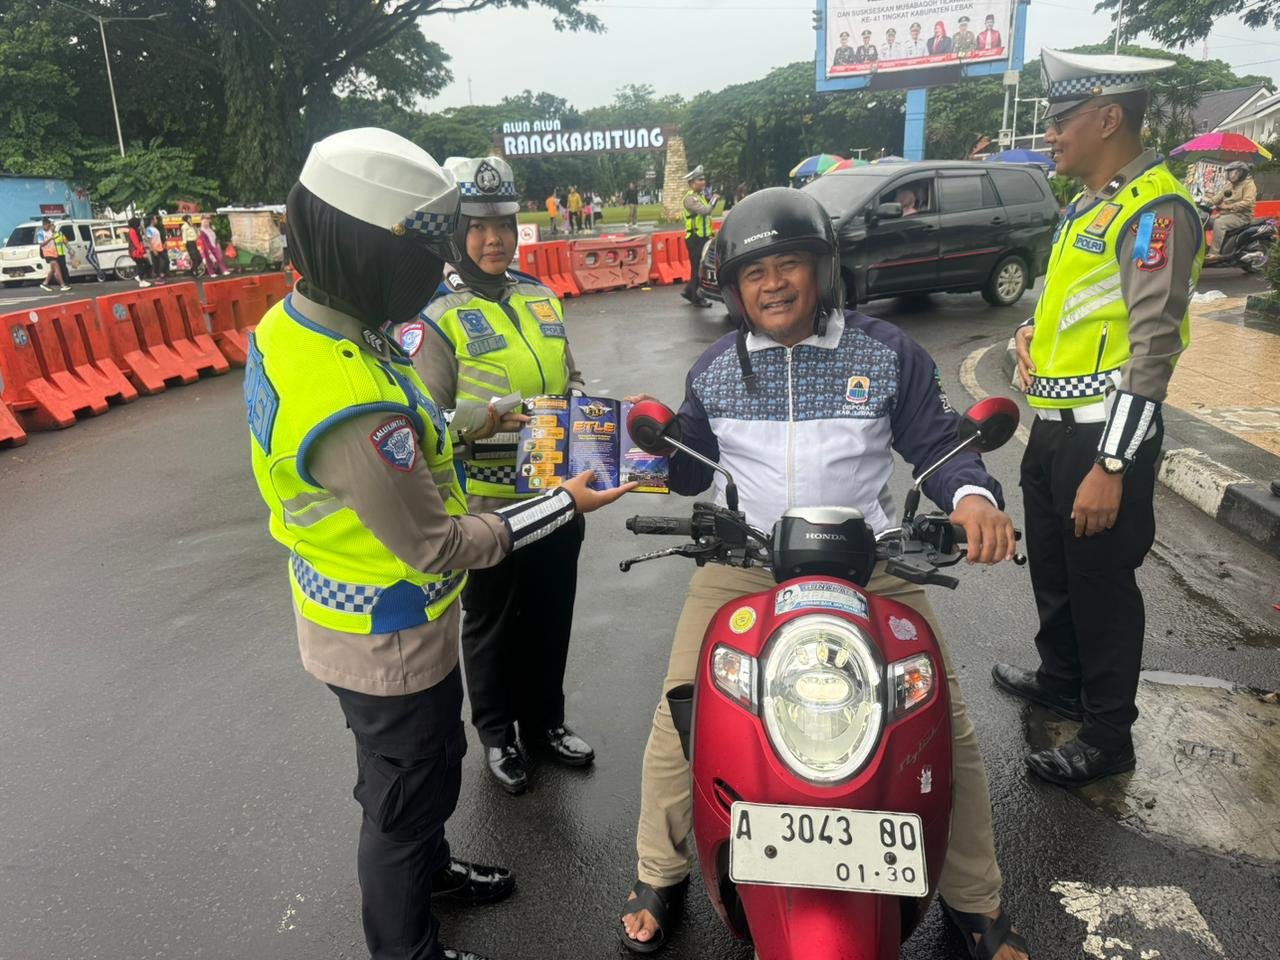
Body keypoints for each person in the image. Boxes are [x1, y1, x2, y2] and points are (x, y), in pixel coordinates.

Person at [244, 128, 633, 960]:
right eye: (431, 248)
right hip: (385, 629)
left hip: (370, 614)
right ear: (372, 250)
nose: (441, 267)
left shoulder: (308, 324)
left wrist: (475, 420)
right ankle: (408, 947)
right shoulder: (351, 400)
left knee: (420, 768)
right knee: (405, 796)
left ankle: (432, 871)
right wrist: (563, 504)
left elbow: (421, 424)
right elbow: (437, 543)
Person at [619, 187, 1029, 960]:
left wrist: (973, 498)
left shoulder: (887, 353)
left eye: (789, 265)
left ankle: (975, 899)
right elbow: (688, 465)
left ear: (823, 270)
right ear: (734, 290)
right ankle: (659, 872)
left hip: (873, 563)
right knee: (682, 712)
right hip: (745, 564)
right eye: (755, 273)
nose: (773, 284)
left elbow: (939, 444)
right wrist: (643, 445)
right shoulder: (715, 368)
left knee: (942, 720)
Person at [995, 49, 1203, 789]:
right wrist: (1026, 336)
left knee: (1102, 586)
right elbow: (1076, 309)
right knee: (1055, 567)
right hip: (1053, 427)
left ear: (1109, 118)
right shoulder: (1090, 204)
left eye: (1062, 121)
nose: (1051, 135)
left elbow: (1152, 349)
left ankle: (1109, 735)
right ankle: (1062, 680)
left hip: (1103, 434)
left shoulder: (1154, 211)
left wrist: (1111, 465)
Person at [392, 154, 596, 795]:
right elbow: (423, 420)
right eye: (477, 226)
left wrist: (583, 407)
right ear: (457, 232)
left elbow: (571, 375)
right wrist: (477, 421)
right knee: (492, 623)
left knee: (551, 612)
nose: (493, 239)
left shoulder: (540, 296)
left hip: (557, 490)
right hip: (487, 503)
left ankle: (545, 721)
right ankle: (498, 734)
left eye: (503, 224)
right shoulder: (434, 315)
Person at [680, 165, 718, 309]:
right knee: (697, 269)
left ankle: (688, 291)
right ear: (691, 183)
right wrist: (713, 200)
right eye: (699, 180)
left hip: (703, 237)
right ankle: (697, 298)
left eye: (703, 179)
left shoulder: (699, 197)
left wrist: (710, 233)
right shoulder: (690, 199)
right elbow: (705, 211)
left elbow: (705, 220)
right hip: (695, 238)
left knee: (699, 267)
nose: (703, 182)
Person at [1206, 161, 1257, 255]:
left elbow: (1248, 202)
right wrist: (1206, 201)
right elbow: (1218, 197)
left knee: (1219, 223)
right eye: (1228, 172)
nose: (1229, 175)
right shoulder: (1230, 184)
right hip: (1226, 214)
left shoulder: (1249, 185)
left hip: (1241, 216)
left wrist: (1229, 206)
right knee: (1205, 221)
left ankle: (1214, 253)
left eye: (1232, 172)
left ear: (1241, 173)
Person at [37, 219, 70, 292]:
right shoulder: (40, 233)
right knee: (57, 267)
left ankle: (45, 283)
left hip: (54, 253)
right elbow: (41, 244)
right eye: (47, 225)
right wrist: (51, 238)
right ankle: (62, 284)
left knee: (53, 269)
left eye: (49, 225)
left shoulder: (50, 231)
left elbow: (61, 238)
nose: (49, 227)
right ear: (43, 225)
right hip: (48, 253)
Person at [126, 217, 153, 287]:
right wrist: (143, 252)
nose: (140, 223)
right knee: (143, 265)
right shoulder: (132, 231)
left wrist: (143, 228)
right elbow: (136, 243)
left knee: (144, 265)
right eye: (139, 222)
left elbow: (141, 240)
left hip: (137, 252)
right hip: (135, 253)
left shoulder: (135, 230)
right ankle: (141, 281)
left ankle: (139, 277)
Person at [146, 214, 169, 282]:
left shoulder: (155, 228)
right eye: (155, 219)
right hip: (155, 249)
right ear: (152, 220)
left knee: (165, 261)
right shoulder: (149, 229)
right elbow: (149, 240)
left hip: (160, 248)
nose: (156, 220)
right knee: (158, 263)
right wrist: (153, 250)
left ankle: (161, 275)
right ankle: (158, 278)